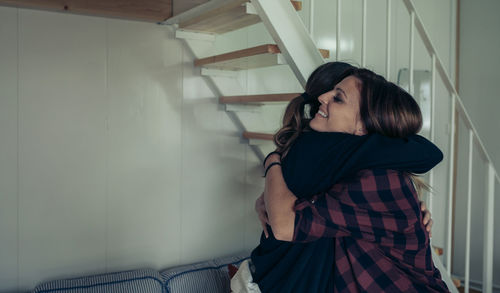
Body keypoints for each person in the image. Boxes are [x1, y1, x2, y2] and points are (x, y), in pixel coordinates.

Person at [231, 64, 448, 292]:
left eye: (338, 98)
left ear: (363, 126)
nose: (322, 98)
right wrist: (267, 196)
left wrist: (272, 160)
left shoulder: (377, 178)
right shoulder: (343, 163)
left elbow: (285, 225)